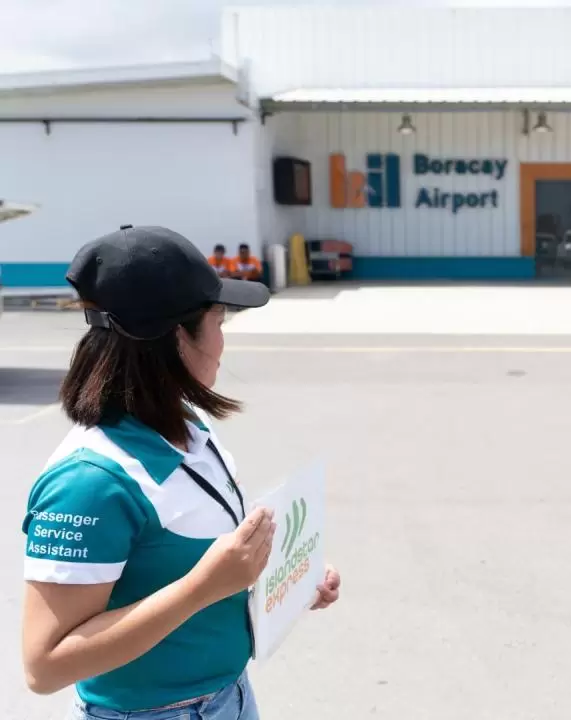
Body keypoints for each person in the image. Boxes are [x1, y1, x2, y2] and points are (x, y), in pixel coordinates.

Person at [21, 225, 342, 720]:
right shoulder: (90, 481)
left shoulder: (190, 428)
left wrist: (284, 579)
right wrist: (203, 587)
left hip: (227, 697)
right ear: (177, 338)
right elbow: (44, 665)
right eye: (218, 322)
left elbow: (191, 562)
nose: (221, 341)